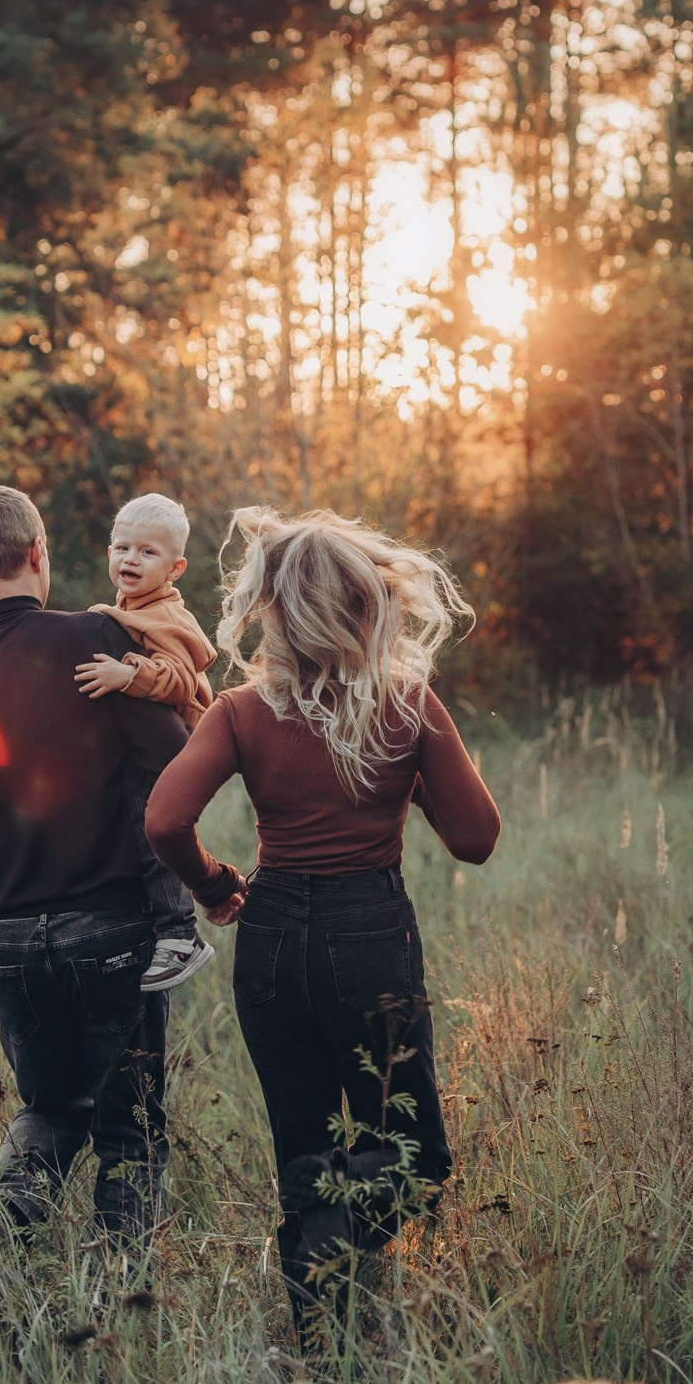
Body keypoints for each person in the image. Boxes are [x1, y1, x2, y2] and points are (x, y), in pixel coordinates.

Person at [144, 507, 501, 1338]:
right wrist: (403, 779)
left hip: (268, 937)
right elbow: (475, 840)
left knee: (305, 1149)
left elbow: (164, 820)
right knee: (412, 1160)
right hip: (368, 933)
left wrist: (212, 884)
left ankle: (319, 1334)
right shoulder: (406, 703)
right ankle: (337, 1261)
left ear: (273, 606)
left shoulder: (238, 709)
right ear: (363, 604)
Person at [0, 484, 189, 1245]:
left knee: (49, 1107)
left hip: (7, 944)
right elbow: (179, 762)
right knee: (129, 1130)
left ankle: (5, 1214)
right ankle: (116, 1300)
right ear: (39, 554)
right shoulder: (98, 639)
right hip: (111, 930)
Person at [75, 492, 218, 992]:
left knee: (150, 828)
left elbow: (180, 680)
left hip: (172, 749)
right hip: (143, 747)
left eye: (147, 552)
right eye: (122, 548)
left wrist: (127, 672)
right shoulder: (131, 606)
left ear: (175, 568)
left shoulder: (167, 618)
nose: (130, 559)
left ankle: (180, 934)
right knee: (132, 828)